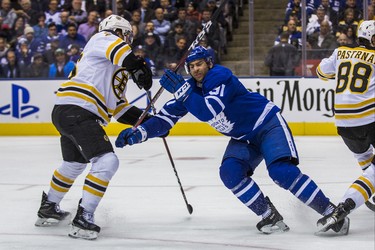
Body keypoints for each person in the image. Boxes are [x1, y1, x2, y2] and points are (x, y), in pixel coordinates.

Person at [115, 46, 350, 235]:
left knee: (281, 172)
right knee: (229, 173)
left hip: (267, 124)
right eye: (191, 66)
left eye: (199, 64)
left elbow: (209, 111)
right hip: (243, 137)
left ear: (209, 63)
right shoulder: (187, 89)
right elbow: (165, 120)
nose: (195, 69)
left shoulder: (220, 76)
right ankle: (269, 215)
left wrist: (183, 94)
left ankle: (332, 211)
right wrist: (139, 133)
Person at [34, 14, 153, 240]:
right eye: (126, 34)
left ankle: (49, 207)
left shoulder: (112, 67)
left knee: (74, 163)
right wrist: (138, 67)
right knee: (107, 161)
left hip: (68, 111)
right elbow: (127, 57)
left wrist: (148, 120)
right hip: (79, 111)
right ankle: (83, 218)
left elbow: (119, 109)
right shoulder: (102, 37)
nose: (128, 39)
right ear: (119, 31)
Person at [315, 20, 375, 233]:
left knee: (365, 158)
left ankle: (370, 190)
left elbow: (321, 72)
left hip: (344, 122)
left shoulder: (340, 52)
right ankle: (346, 205)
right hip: (370, 117)